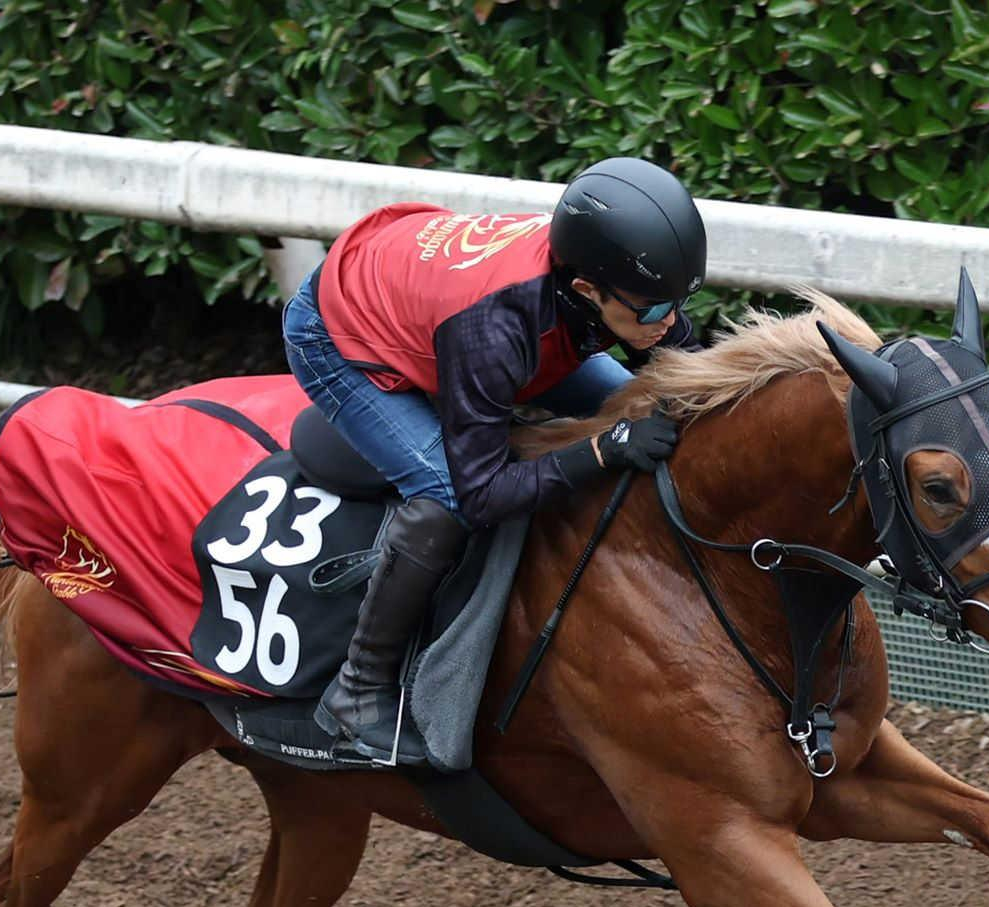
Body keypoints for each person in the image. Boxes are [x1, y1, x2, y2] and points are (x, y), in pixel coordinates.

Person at [282, 157, 706, 762]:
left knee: (629, 400)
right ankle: (355, 691)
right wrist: (601, 450)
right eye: (648, 312)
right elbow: (482, 494)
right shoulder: (495, 332)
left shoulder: (603, 284)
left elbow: (678, 363)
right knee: (444, 498)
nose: (667, 323)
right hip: (338, 334)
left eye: (675, 303)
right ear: (585, 289)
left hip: (436, 290)